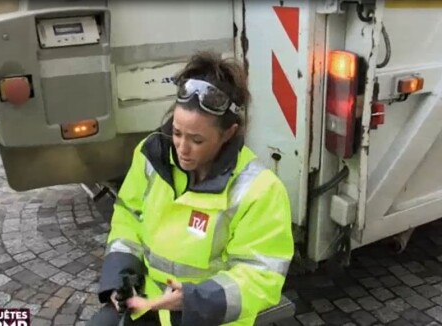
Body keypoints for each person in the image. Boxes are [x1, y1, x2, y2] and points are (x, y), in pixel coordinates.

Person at [88, 51, 294, 326]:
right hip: (145, 305)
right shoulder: (151, 155)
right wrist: (120, 280)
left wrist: (192, 299)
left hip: (205, 318)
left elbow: (261, 276)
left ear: (229, 134)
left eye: (197, 140)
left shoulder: (260, 189)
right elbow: (128, 217)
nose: (182, 149)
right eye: (177, 133)